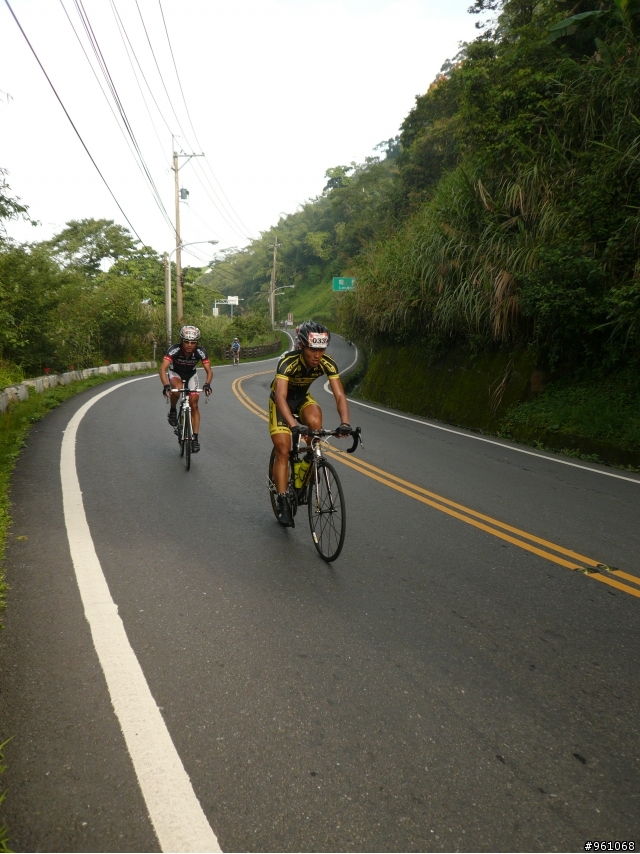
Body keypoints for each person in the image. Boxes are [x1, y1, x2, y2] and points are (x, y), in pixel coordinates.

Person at [269, 320, 352, 526]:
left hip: (302, 398)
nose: (317, 355)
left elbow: (339, 394)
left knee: (315, 422)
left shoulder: (327, 362)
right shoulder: (288, 362)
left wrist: (345, 423)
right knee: (283, 449)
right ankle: (282, 500)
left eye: (322, 349)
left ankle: (305, 468)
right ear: (302, 346)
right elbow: (280, 397)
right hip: (281, 401)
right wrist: (293, 424)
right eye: (312, 349)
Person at [159, 325, 213, 453]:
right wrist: (166, 385)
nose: (189, 345)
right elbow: (162, 369)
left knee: (194, 404)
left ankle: (195, 439)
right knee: (178, 389)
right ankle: (173, 410)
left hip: (191, 375)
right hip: (175, 373)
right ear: (181, 341)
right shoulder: (174, 350)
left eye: (193, 342)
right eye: (186, 342)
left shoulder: (200, 351)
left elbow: (209, 371)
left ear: (197, 342)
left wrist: (207, 384)